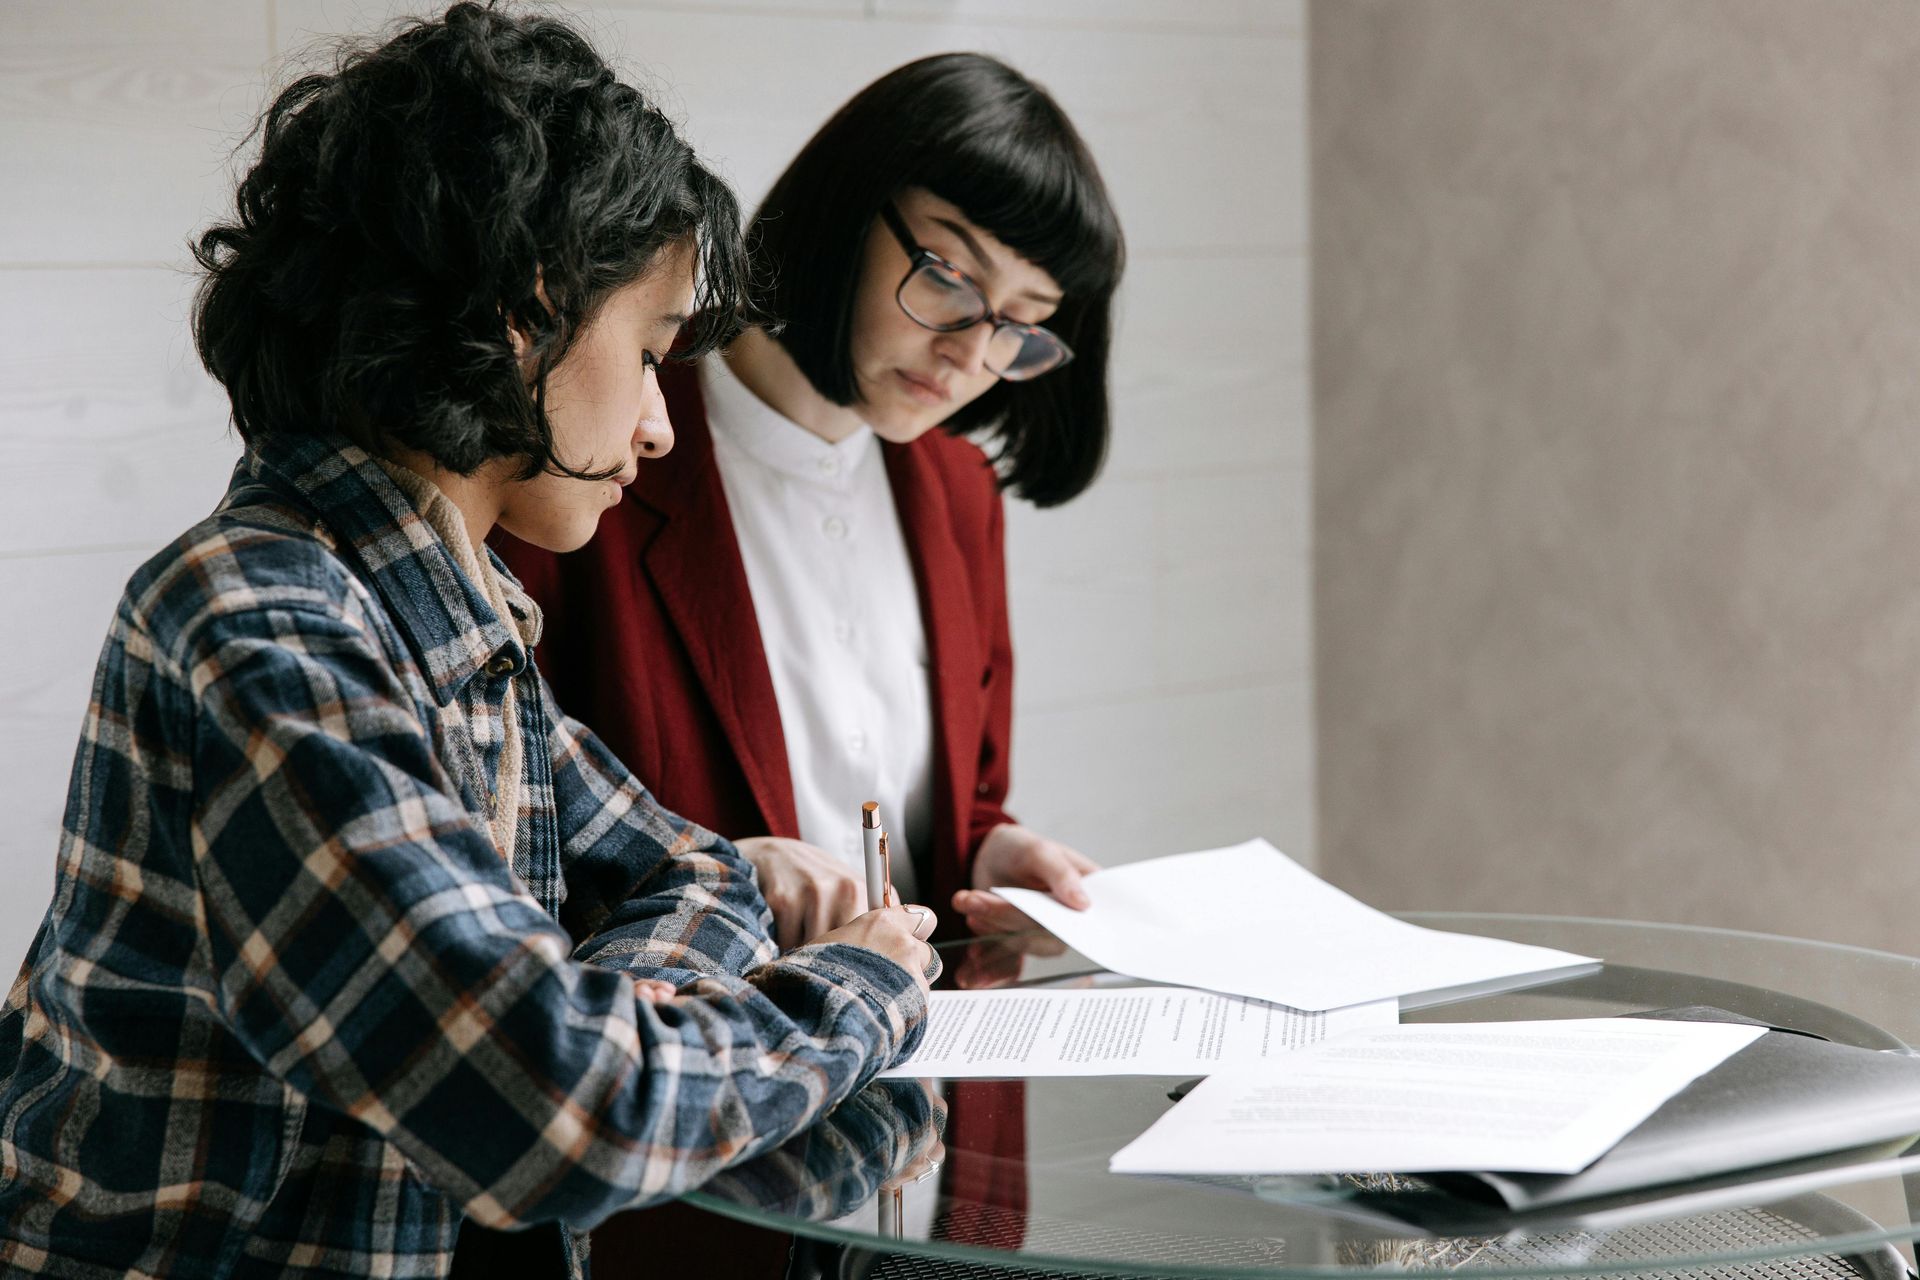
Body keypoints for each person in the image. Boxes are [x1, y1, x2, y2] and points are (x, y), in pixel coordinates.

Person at [0, 8, 937, 1279]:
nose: (660, 425)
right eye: (651, 353)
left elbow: (705, 876)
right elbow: (567, 1119)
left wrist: (599, 1010)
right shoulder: (259, 624)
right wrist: (859, 987)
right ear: (525, 315)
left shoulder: (460, 614)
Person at [494, 50, 1123, 1276]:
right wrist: (739, 880)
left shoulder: (957, 489)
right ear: (846, 209)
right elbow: (516, 830)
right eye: (948, 277)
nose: (970, 354)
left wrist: (997, 847)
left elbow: (945, 790)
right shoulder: (606, 452)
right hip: (697, 1160)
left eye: (1023, 328)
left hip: (915, 1133)